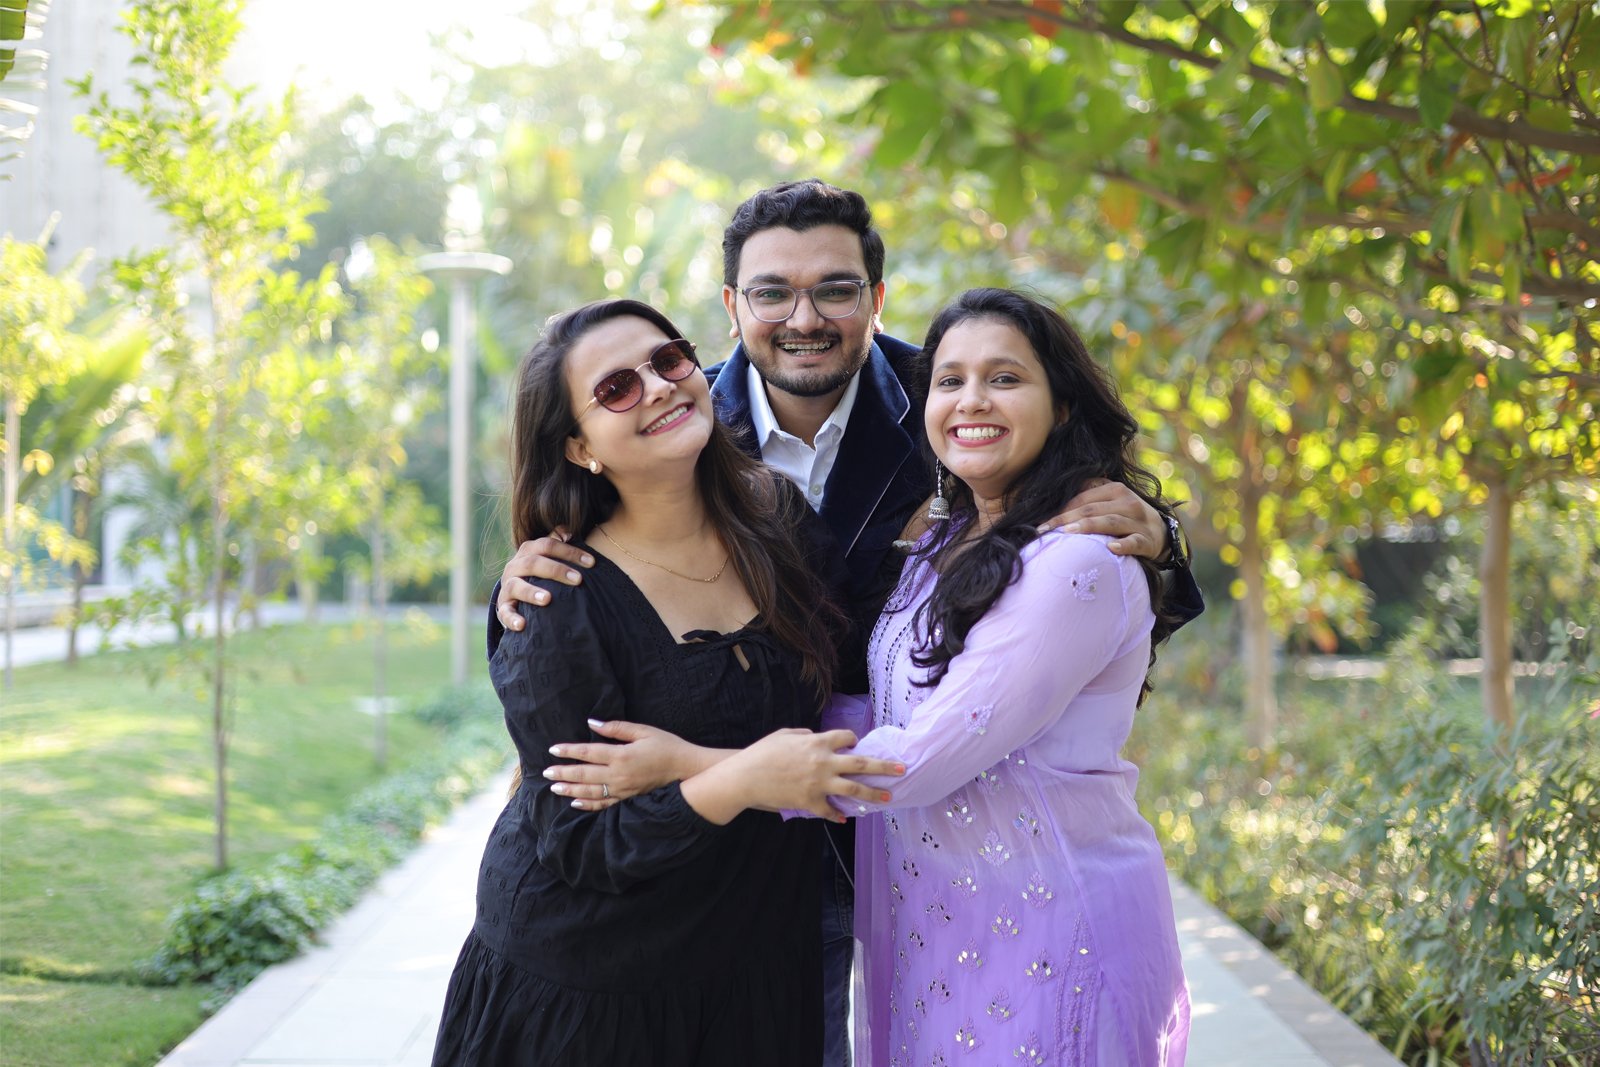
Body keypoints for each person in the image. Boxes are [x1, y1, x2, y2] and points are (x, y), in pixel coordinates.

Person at [495, 180, 1203, 1066]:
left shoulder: (950, 401)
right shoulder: (674, 418)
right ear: (731, 307)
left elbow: (1078, 588)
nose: (805, 317)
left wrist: (1159, 540)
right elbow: (582, 557)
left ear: (875, 297)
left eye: (835, 288)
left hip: (920, 839)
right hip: (728, 847)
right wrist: (522, 573)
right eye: (772, 292)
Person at [430, 298, 906, 1066]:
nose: (657, 386)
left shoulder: (777, 522)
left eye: (669, 358)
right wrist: (741, 777)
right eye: (616, 387)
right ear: (580, 446)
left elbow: (876, 671)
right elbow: (581, 840)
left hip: (756, 975)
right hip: (595, 994)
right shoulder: (558, 596)